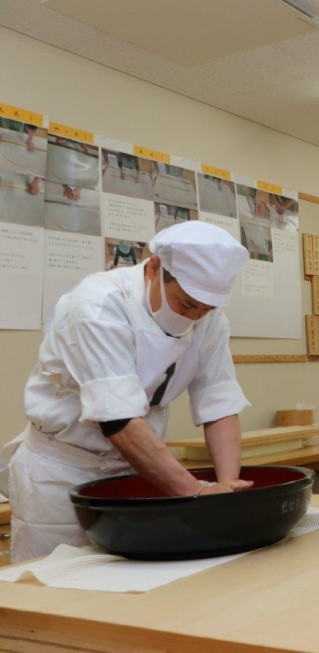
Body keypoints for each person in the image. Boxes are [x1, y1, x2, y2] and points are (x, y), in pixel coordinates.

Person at [0, 220, 254, 563]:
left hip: (136, 467)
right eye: (185, 304)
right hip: (61, 470)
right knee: (52, 582)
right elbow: (117, 419)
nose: (193, 316)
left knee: (125, 578)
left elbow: (219, 403)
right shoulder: (98, 304)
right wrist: (195, 494)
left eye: (205, 309)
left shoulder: (211, 321)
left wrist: (228, 490)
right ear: (153, 268)